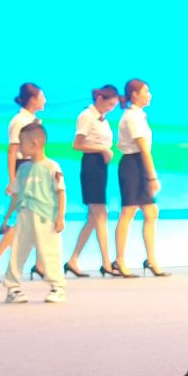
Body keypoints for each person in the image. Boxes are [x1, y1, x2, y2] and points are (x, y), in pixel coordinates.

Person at [0, 82, 46, 282]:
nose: (45, 100)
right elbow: (12, 151)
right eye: (42, 97)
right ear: (33, 99)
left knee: (38, 218)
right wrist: (12, 180)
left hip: (35, 168)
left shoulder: (33, 120)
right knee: (23, 220)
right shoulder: (19, 121)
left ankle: (40, 264)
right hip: (24, 169)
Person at [0, 122, 67, 305]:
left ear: (35, 143)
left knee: (50, 251)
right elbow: (16, 195)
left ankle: (57, 287)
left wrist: (60, 216)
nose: (19, 147)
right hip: (24, 216)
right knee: (18, 251)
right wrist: (6, 219)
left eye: (21, 143)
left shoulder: (52, 167)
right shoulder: (23, 169)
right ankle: (13, 288)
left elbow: (61, 192)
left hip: (46, 217)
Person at [113, 79, 166, 276]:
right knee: (128, 211)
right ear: (135, 94)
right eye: (146, 91)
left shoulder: (139, 116)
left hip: (139, 164)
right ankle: (119, 260)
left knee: (151, 212)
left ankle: (151, 259)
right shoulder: (132, 117)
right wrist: (152, 177)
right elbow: (144, 149)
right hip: (132, 165)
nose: (149, 95)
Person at [67, 84, 119, 277]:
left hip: (101, 166)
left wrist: (105, 151)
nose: (111, 109)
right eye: (110, 104)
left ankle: (73, 260)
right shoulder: (86, 116)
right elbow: (77, 144)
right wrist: (102, 149)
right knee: (100, 214)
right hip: (91, 166)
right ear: (100, 99)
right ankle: (106, 262)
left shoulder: (102, 118)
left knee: (93, 218)